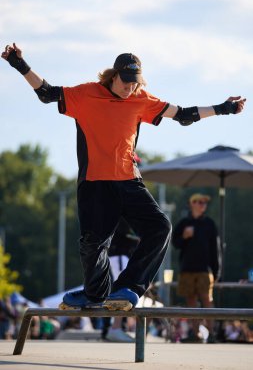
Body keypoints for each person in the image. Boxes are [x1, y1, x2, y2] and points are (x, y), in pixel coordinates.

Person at [1, 43, 246, 312]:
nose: (130, 88)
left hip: (128, 181)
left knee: (160, 228)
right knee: (93, 244)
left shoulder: (142, 99)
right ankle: (95, 293)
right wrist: (19, 64)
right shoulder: (85, 94)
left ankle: (127, 287)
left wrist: (224, 108)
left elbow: (184, 115)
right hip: (95, 183)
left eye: (135, 83)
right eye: (126, 82)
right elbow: (47, 93)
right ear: (113, 76)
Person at [172, 193, 222, 343]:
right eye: (199, 202)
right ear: (191, 203)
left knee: (207, 300)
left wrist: (217, 269)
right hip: (187, 268)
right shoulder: (183, 223)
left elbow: (216, 248)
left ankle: (212, 334)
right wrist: (184, 237)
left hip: (204, 269)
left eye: (204, 203)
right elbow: (175, 244)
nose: (202, 205)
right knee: (191, 301)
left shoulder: (209, 223)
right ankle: (196, 334)